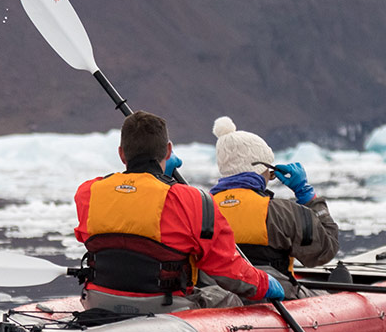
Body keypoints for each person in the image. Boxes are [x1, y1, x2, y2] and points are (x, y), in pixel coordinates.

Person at [72, 110, 281, 315]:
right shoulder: (193, 200)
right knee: (228, 297)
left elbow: (88, 235)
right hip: (165, 305)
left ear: (121, 153)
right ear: (169, 151)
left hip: (100, 299)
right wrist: (263, 284)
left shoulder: (88, 192)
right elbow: (225, 268)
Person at [206, 117, 340, 297]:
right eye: (269, 169)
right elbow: (324, 251)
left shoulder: (202, 209)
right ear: (259, 168)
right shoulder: (282, 212)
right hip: (275, 299)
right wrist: (307, 196)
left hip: (217, 297)